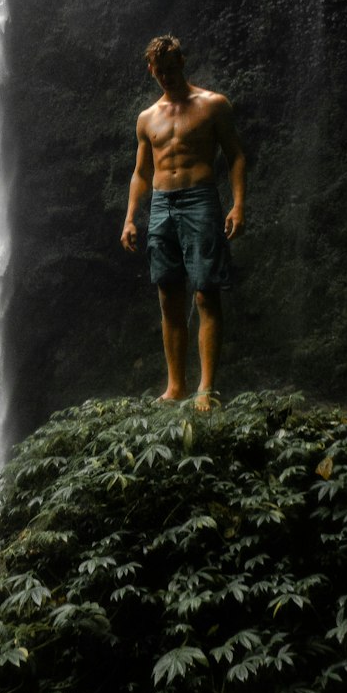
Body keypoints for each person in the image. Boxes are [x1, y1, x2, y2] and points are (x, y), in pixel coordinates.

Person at [120, 35, 246, 411]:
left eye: (173, 70)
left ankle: (206, 388)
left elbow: (236, 156)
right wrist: (130, 217)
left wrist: (238, 205)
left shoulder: (213, 105)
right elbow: (140, 173)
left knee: (206, 293)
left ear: (183, 64)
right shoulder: (147, 118)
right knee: (168, 296)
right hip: (161, 205)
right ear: (151, 71)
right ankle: (176, 386)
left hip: (199, 199)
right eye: (161, 72)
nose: (167, 77)